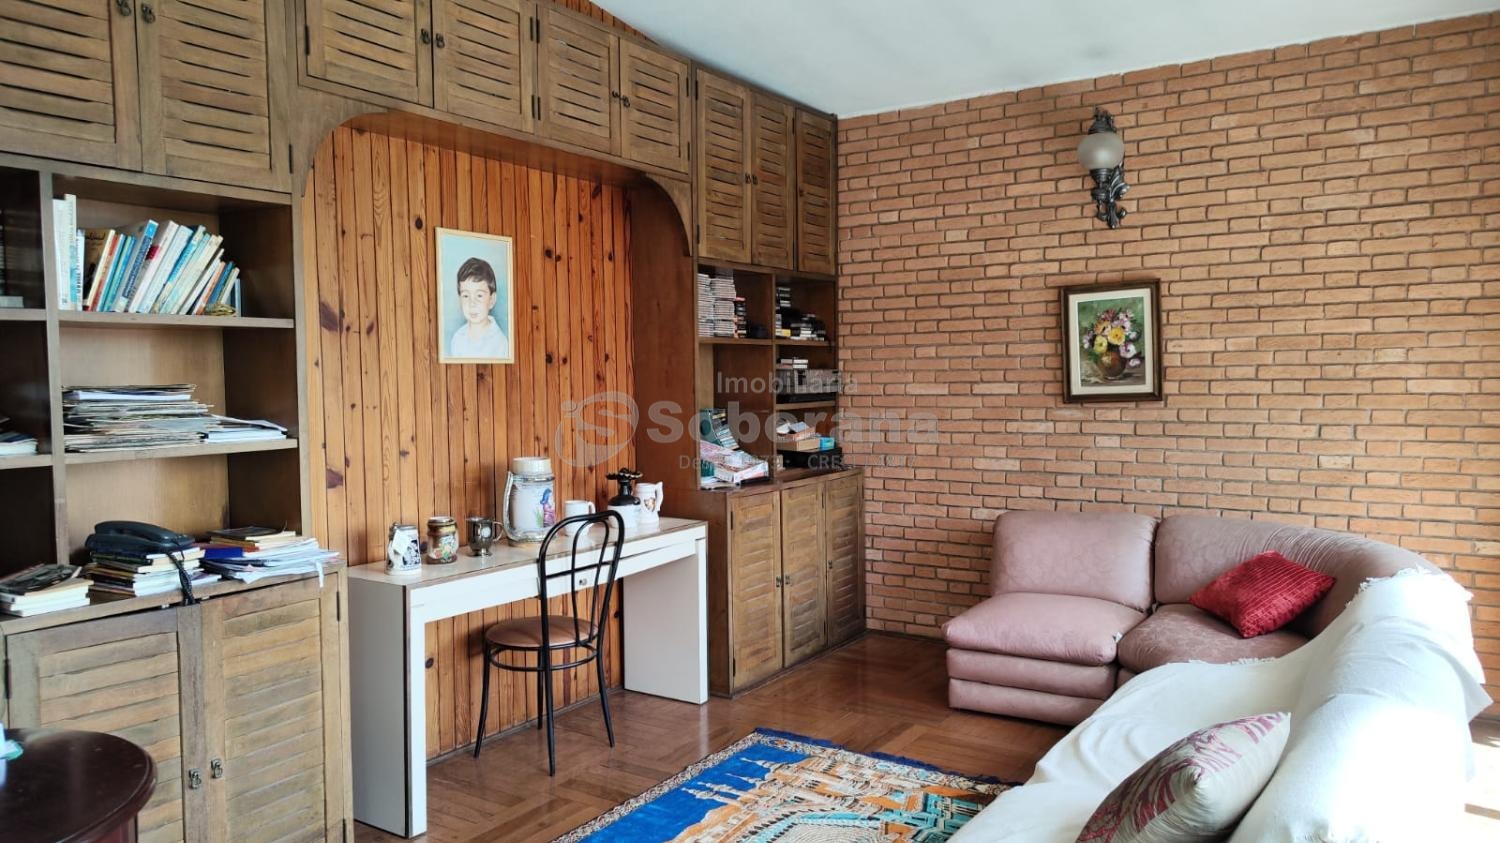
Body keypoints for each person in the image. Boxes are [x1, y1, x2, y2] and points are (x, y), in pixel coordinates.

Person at [448, 256, 509, 359]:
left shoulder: (501, 343)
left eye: (479, 295)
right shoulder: (457, 339)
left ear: (492, 300)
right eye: (466, 296)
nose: (472, 303)